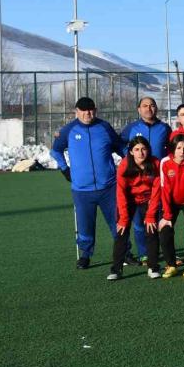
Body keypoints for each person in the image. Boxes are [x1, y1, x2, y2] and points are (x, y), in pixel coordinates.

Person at [50, 97, 125, 269]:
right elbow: (55, 151)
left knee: (118, 222)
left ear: (95, 110)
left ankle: (124, 252)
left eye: (90, 110)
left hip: (109, 187)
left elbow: (120, 147)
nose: (87, 113)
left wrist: (130, 161)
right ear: (76, 111)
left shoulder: (104, 127)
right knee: (85, 226)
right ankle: (85, 255)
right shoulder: (68, 130)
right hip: (82, 190)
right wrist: (64, 169)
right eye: (83, 110)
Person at [119, 96, 171, 265]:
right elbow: (119, 143)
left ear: (156, 108)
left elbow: (171, 149)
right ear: (139, 109)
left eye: (152, 105)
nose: (149, 108)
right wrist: (130, 160)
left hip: (157, 180)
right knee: (139, 223)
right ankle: (144, 253)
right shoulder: (131, 128)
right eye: (145, 105)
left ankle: (161, 251)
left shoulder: (164, 128)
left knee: (159, 218)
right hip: (137, 183)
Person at [108, 136, 162, 281]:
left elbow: (157, 190)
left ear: (148, 150)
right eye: (137, 149)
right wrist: (124, 217)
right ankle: (116, 269)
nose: (141, 153)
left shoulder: (155, 163)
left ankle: (153, 267)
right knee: (122, 231)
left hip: (148, 200)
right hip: (129, 199)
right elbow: (121, 192)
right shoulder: (124, 165)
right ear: (131, 152)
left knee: (151, 230)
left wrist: (150, 215)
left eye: (144, 149)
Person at [158, 134, 184, 279]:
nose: (183, 151)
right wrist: (167, 216)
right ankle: (171, 265)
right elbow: (164, 189)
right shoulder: (165, 162)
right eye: (179, 148)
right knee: (165, 230)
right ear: (173, 149)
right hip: (172, 202)